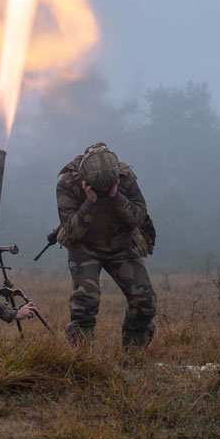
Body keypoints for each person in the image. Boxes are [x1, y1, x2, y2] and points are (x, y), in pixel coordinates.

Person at [53, 142, 157, 348]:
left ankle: (134, 354)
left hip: (121, 246)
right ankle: (84, 358)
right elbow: (72, 231)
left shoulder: (125, 178)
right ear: (85, 181)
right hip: (84, 248)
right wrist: (90, 202)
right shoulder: (68, 183)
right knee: (85, 304)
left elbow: (138, 216)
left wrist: (116, 196)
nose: (103, 190)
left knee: (144, 301)